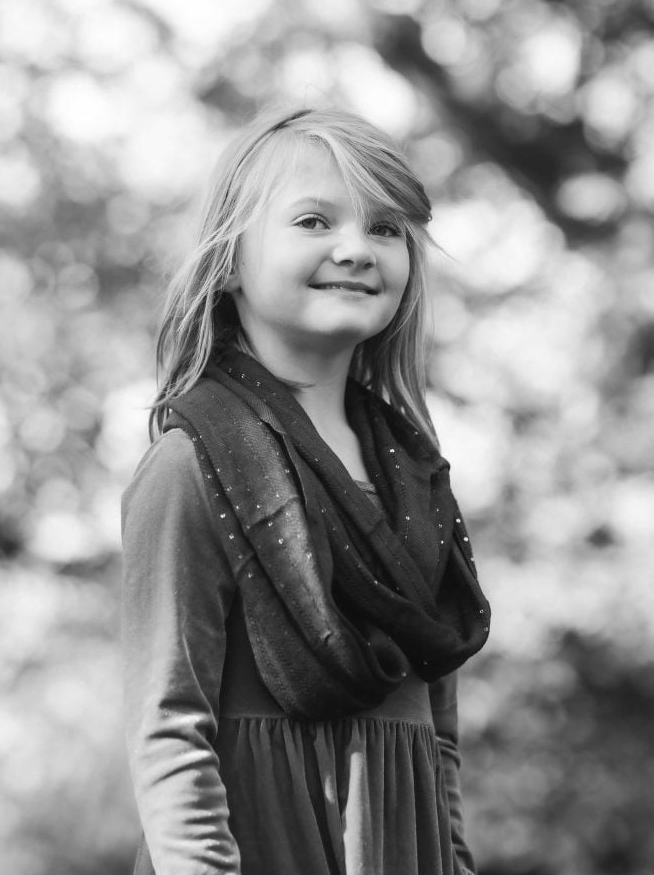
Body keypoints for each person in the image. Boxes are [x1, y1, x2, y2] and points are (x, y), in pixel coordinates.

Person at [121, 104, 491, 875]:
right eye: (314, 221)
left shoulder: (418, 480)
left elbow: (439, 734)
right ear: (228, 262)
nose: (356, 249)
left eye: (386, 228)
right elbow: (168, 723)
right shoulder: (192, 468)